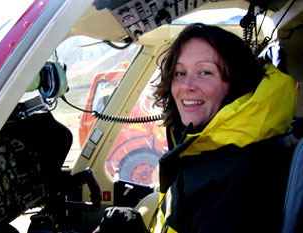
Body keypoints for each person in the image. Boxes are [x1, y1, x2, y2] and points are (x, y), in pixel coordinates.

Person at [93, 23, 297, 233]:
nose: (186, 85)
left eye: (205, 72)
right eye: (180, 73)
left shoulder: (238, 177)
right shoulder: (208, 148)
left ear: (237, 82)